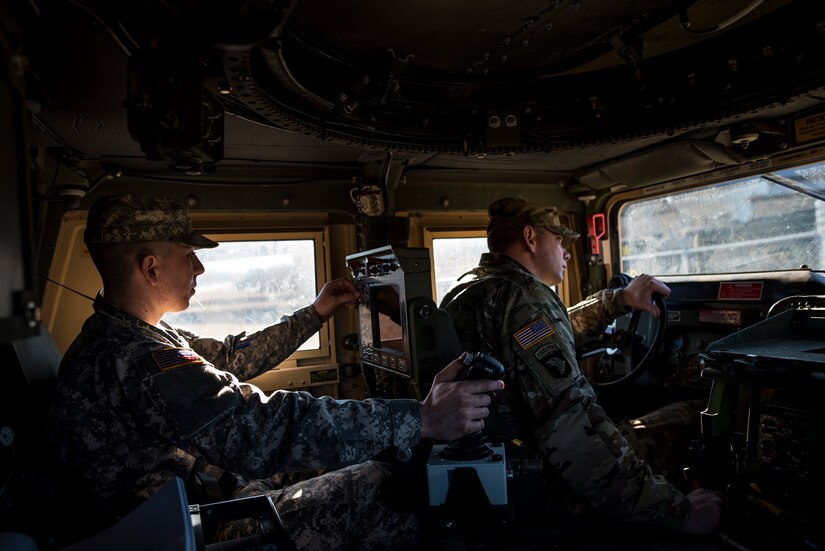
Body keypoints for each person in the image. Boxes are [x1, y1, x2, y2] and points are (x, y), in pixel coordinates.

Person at [49, 194, 503, 550]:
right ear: (151, 267)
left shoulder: (140, 337)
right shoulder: (136, 358)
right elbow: (259, 429)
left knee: (358, 458)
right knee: (385, 488)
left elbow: (231, 359)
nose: (200, 266)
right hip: (184, 531)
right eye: (188, 254)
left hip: (196, 501)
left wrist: (316, 312)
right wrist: (419, 419)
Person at [440, 197, 723, 536]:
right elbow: (570, 422)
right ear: (530, 238)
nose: (567, 253)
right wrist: (675, 510)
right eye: (559, 241)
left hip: (499, 468)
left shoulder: (468, 290)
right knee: (691, 416)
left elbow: (539, 340)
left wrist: (618, 301)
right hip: (543, 482)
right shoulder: (526, 297)